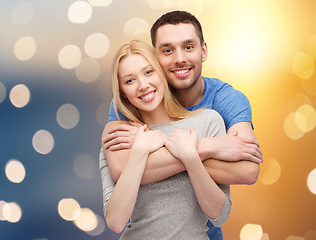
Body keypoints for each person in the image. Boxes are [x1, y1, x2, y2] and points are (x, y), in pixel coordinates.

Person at [101, 10, 262, 239]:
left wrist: (161, 154)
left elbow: (247, 170)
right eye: (167, 50)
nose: (179, 59)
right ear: (156, 57)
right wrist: (205, 148)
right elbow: (118, 170)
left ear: (203, 50)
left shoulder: (222, 104)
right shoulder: (132, 103)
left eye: (188, 47)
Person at [102, 39, 231, 239]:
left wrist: (191, 157)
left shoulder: (207, 122)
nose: (143, 85)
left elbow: (219, 215)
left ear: (162, 73)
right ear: (123, 93)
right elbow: (116, 222)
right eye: (130, 80)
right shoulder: (121, 139)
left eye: (148, 72)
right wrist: (140, 150)